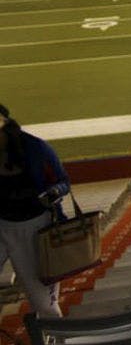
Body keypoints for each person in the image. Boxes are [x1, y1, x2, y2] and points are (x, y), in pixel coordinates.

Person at [0, 103, 69, 318]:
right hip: (3, 225)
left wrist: (53, 191)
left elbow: (63, 182)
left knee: (45, 305)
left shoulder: (35, 147)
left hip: (35, 229)